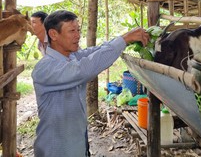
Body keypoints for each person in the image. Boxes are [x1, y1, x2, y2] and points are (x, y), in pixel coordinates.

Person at [31, 10, 150, 157]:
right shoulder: (45, 68)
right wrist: (124, 39)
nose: (77, 35)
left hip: (77, 144)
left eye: (78, 30)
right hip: (56, 149)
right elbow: (84, 69)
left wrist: (124, 39)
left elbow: (96, 51)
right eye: (72, 31)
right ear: (54, 34)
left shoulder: (71, 57)